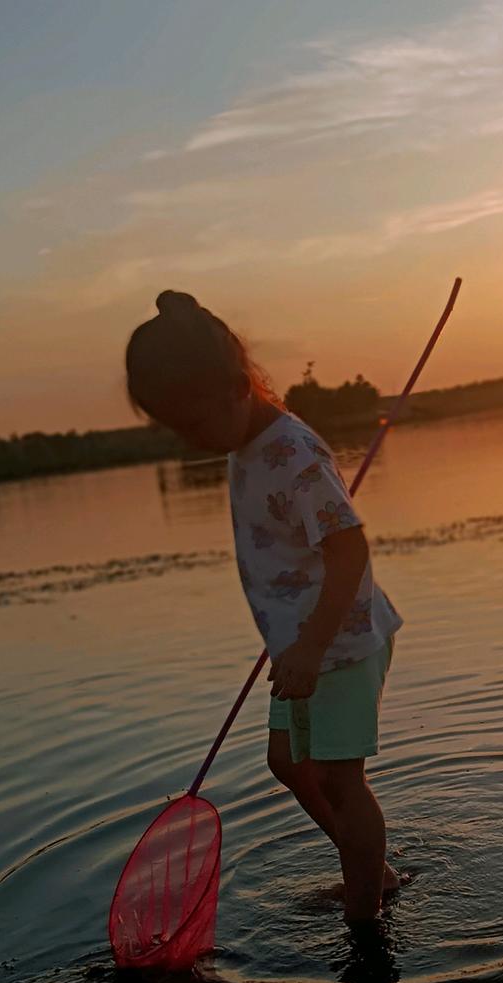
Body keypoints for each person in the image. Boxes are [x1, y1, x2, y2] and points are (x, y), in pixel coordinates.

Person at [125, 290, 404, 923]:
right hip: (300, 645)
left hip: (339, 642)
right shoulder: (246, 446)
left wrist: (309, 643)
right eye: (178, 430)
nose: (191, 441)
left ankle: (365, 913)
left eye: (194, 425)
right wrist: (289, 634)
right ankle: (373, 870)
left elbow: (349, 547)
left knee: (340, 780)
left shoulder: (291, 453)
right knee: (287, 763)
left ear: (234, 388)